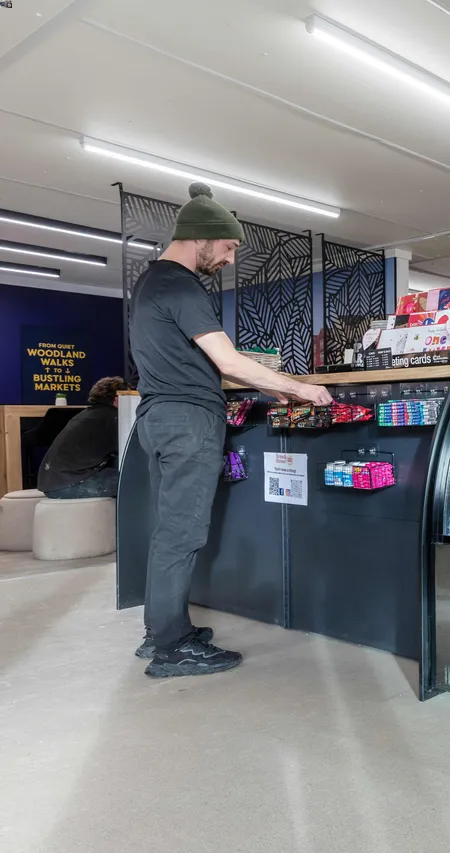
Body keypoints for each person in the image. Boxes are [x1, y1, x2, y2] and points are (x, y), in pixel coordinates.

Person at [130, 182, 332, 679]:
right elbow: (227, 360)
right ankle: (171, 648)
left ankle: (163, 629)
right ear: (200, 236)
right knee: (182, 534)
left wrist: (273, 386)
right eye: (228, 245)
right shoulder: (180, 284)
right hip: (187, 421)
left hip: (158, 417)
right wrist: (302, 389)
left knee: (169, 531)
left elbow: (203, 361)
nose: (229, 256)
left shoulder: (151, 283)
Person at [36, 377, 128, 499]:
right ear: (117, 399)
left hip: (52, 483)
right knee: (135, 480)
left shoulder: (86, 415)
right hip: (69, 485)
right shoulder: (112, 418)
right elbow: (127, 453)